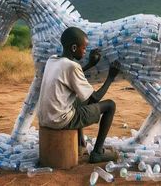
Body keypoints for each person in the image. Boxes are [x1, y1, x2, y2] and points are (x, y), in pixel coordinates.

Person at [37, 26, 120, 163]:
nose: (85, 51)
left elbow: (69, 76)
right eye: (84, 48)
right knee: (110, 105)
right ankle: (97, 153)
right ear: (74, 48)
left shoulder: (52, 60)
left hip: (45, 116)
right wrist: (111, 77)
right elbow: (94, 98)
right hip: (60, 119)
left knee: (77, 97)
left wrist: (90, 64)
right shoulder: (72, 66)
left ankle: (81, 143)